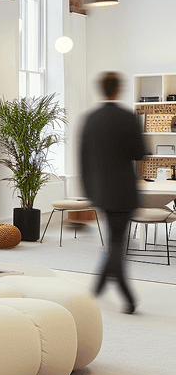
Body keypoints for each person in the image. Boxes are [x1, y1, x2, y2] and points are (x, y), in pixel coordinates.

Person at [78, 70, 146, 314]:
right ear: (118, 89)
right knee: (117, 243)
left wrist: (89, 191)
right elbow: (140, 153)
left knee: (115, 241)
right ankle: (125, 297)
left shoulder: (90, 119)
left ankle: (97, 289)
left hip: (100, 192)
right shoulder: (128, 118)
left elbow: (83, 159)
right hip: (124, 192)